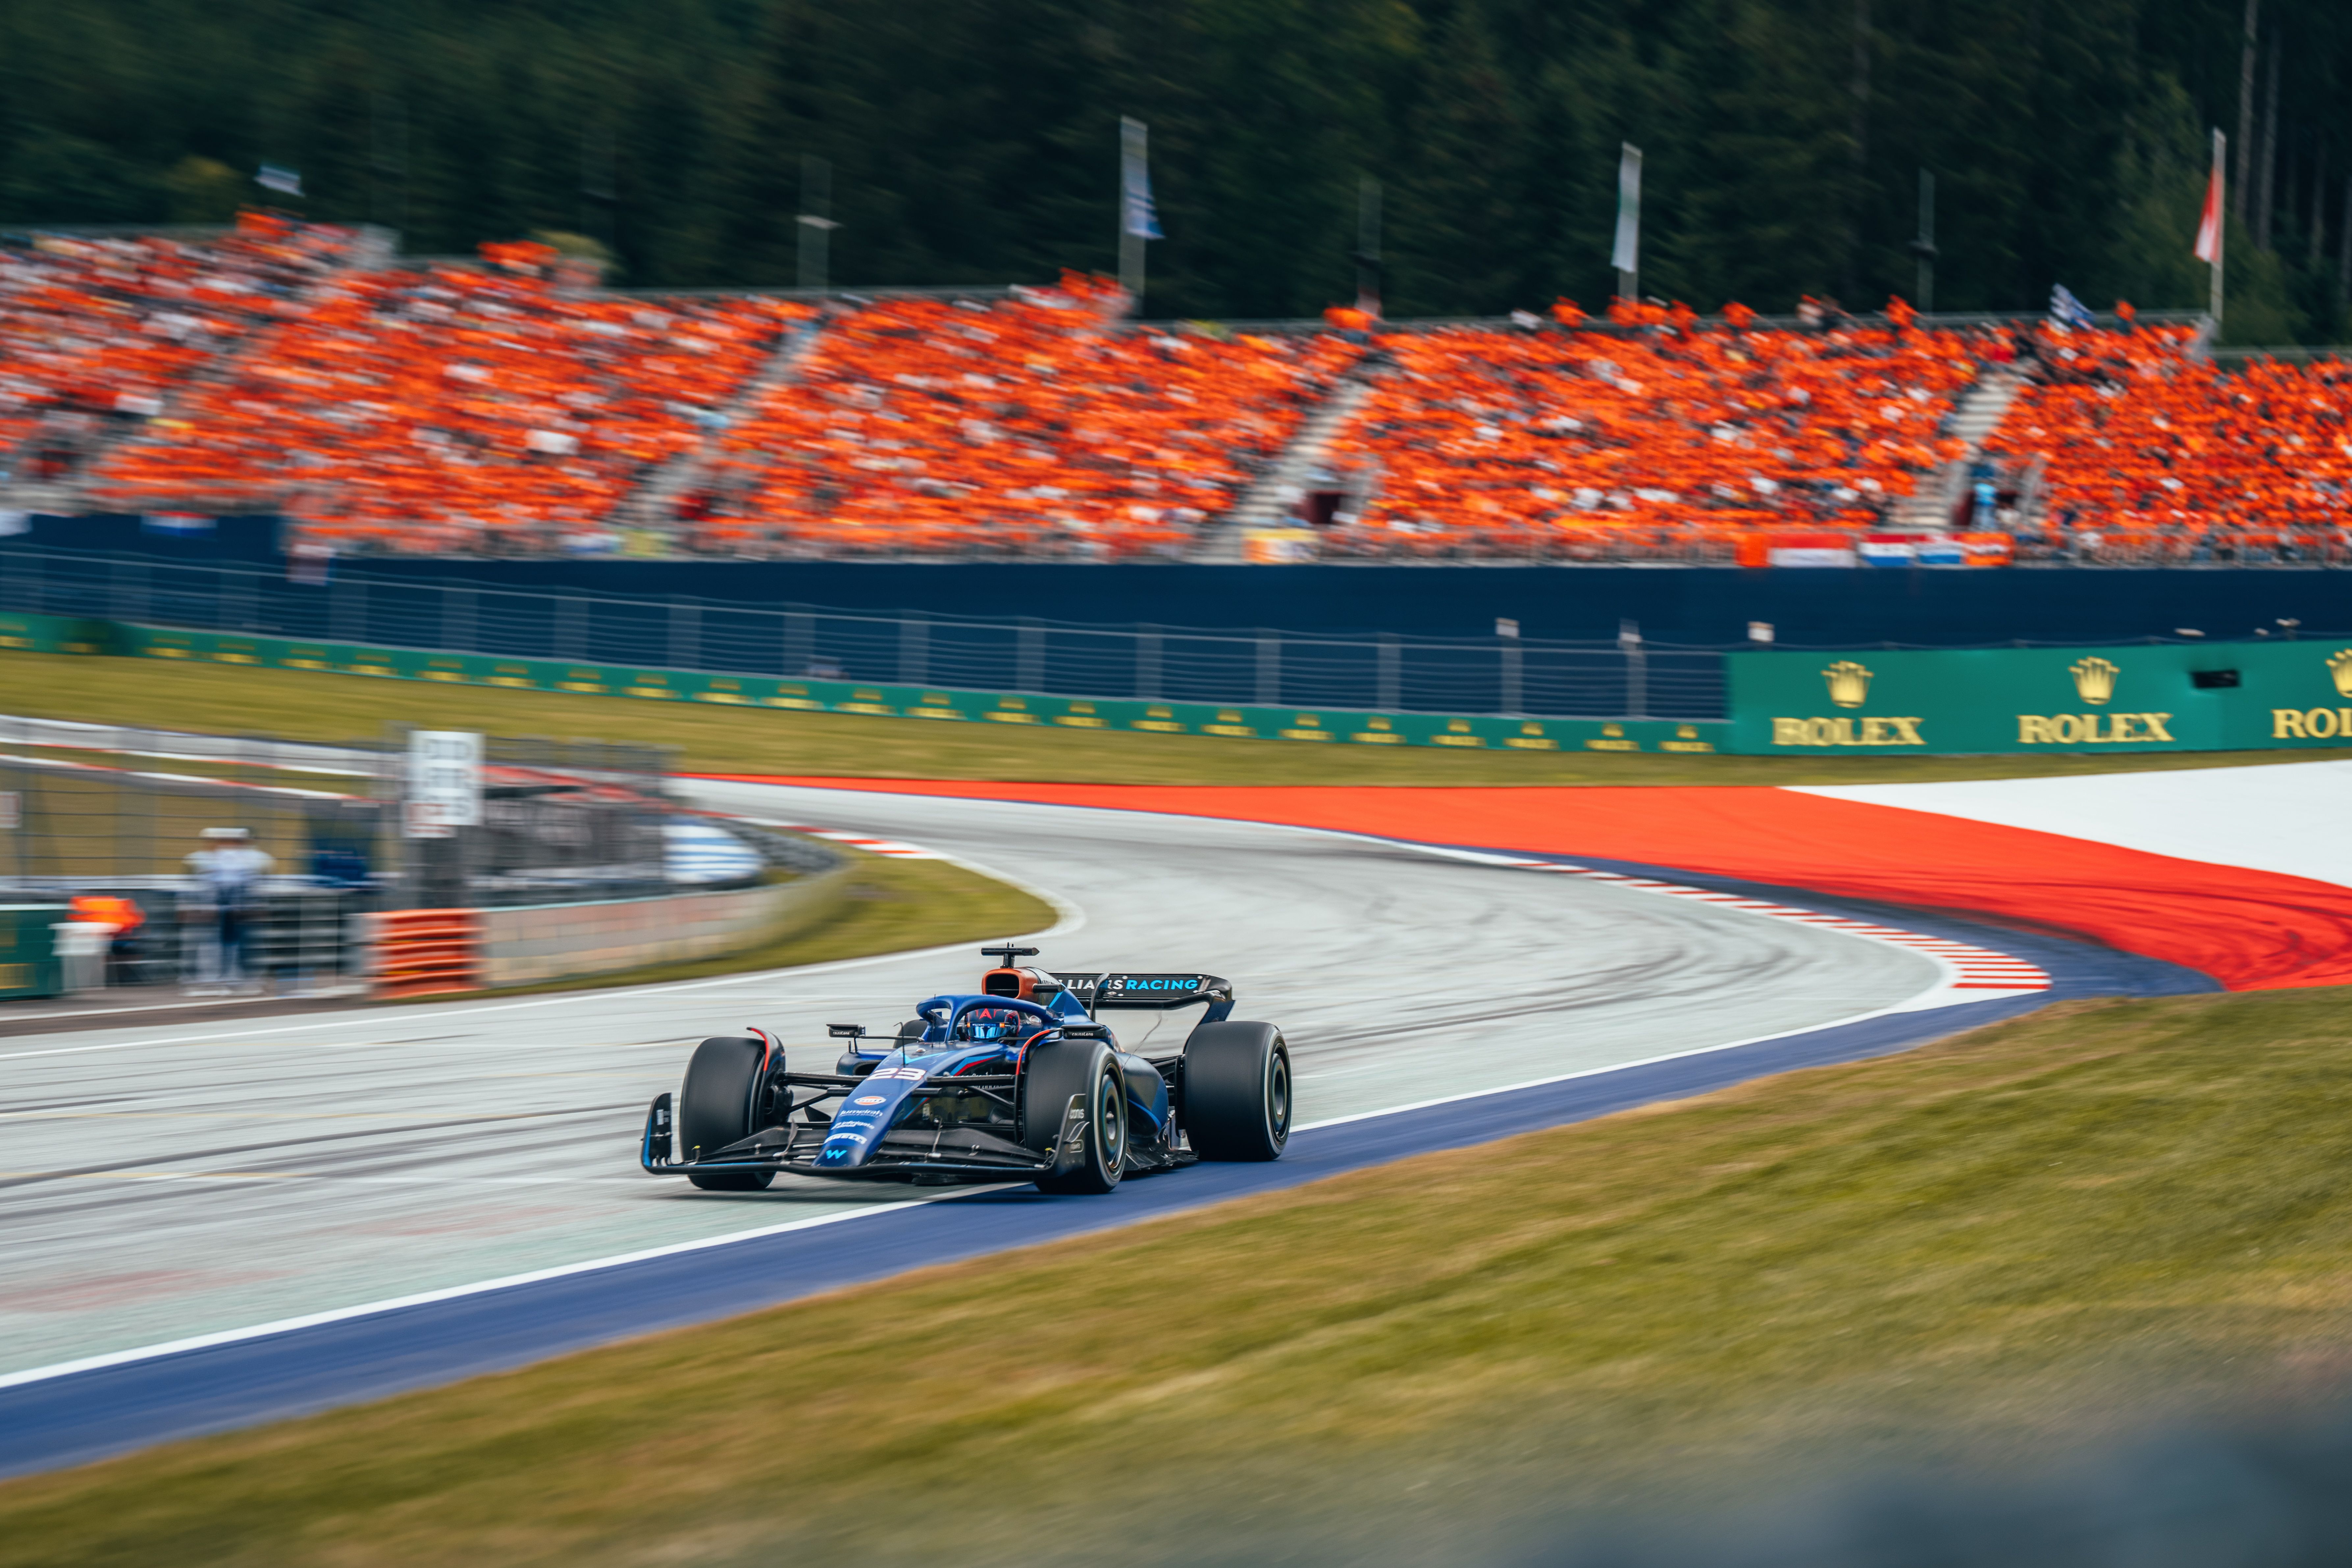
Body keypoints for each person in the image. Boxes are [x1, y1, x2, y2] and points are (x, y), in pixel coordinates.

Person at [184, 827, 275, 995]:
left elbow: (256, 885)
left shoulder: (250, 860)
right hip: (215, 912)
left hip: (237, 913)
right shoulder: (202, 859)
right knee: (211, 945)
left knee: (238, 946)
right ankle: (211, 981)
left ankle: (236, 980)